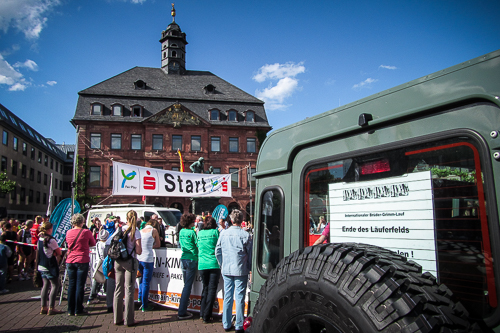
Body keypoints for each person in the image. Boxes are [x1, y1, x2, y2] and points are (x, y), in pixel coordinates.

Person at [215, 210, 252, 333]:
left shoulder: (223, 234)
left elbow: (218, 251)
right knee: (240, 297)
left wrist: (222, 264)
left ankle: (226, 323)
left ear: (231, 220)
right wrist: (250, 267)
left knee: (228, 297)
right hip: (241, 268)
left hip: (227, 268)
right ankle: (239, 325)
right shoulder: (246, 235)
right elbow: (250, 254)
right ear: (241, 220)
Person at [113, 210, 142, 327]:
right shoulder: (136, 231)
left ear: (127, 218)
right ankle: (129, 320)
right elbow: (139, 251)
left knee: (118, 289)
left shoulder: (121, 229)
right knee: (129, 290)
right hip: (130, 262)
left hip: (118, 261)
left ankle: (117, 318)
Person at [66, 213, 96, 316]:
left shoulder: (68, 232)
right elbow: (93, 243)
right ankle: (78, 309)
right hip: (82, 259)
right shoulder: (86, 232)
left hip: (70, 260)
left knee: (71, 285)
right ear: (82, 221)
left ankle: (70, 309)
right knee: (80, 285)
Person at [197, 216, 220, 323]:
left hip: (202, 264)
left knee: (205, 288)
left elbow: (198, 245)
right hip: (214, 263)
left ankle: (202, 313)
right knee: (211, 290)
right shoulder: (215, 233)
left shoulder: (200, 233)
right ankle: (207, 315)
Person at [37, 221, 63, 315]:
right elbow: (59, 252)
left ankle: (43, 306)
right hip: (50, 266)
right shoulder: (51, 240)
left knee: (45, 285)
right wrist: (55, 253)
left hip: (42, 265)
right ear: (49, 229)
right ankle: (51, 307)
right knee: (55, 285)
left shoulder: (40, 239)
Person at [137, 219, 160, 312]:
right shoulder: (154, 231)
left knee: (141, 280)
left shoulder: (140, 231)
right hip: (148, 258)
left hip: (139, 258)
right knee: (146, 282)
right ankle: (144, 305)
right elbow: (158, 244)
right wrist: (151, 246)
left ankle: (140, 297)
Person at [178, 213, 198, 320]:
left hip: (184, 258)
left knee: (186, 284)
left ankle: (183, 308)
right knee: (187, 286)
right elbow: (197, 244)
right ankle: (182, 311)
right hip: (192, 258)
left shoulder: (181, 231)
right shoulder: (192, 232)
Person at [88, 229, 108, 304]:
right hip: (103, 263)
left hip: (98, 263)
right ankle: (92, 296)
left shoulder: (98, 243)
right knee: (103, 279)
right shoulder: (106, 244)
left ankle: (92, 296)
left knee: (98, 280)